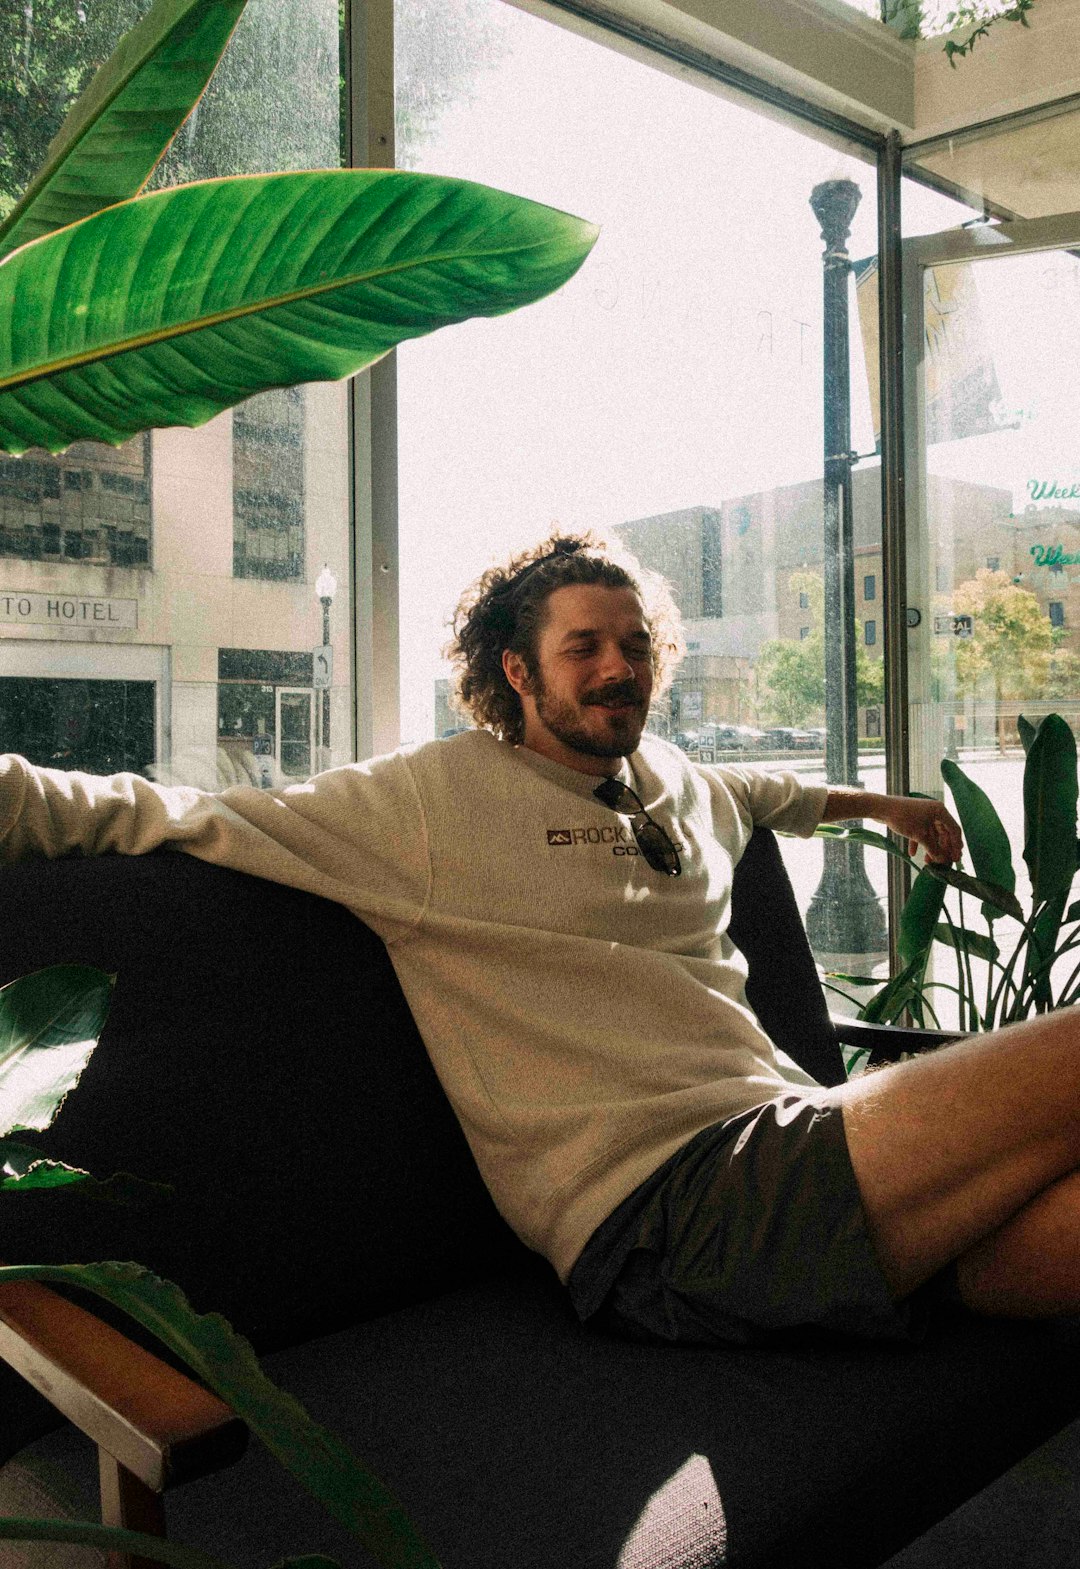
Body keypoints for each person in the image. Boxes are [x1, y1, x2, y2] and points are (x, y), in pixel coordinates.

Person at [0, 530, 1076, 1347]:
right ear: (516, 671)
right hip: (662, 1212)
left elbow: (766, 790)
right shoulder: (425, 806)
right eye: (583, 649)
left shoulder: (671, 780)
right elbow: (161, 813)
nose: (619, 669)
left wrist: (880, 809)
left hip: (784, 1145)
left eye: (635, 645)